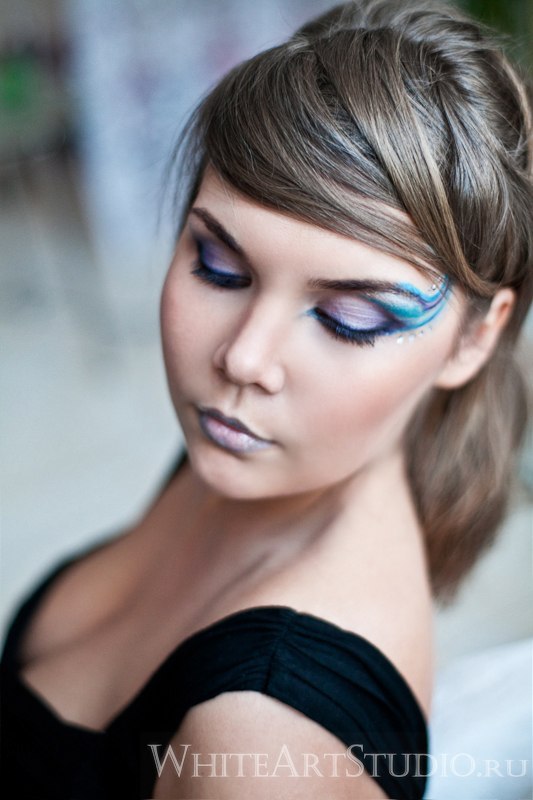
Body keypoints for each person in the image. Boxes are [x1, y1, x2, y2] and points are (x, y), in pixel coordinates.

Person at [1, 0, 532, 798]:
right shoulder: (242, 452)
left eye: (350, 317)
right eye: (219, 266)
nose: (243, 358)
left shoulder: (263, 741)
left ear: (473, 338)